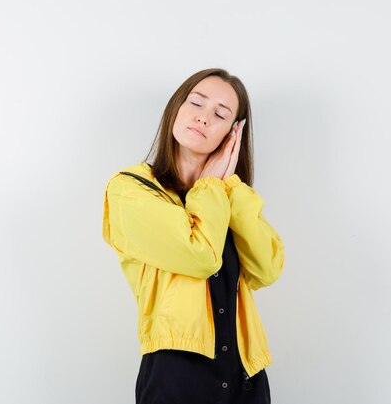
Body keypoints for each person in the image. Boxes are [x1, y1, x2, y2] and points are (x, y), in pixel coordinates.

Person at [102, 68, 285, 404]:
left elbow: (267, 268)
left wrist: (228, 183)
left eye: (219, 114)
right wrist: (211, 185)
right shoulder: (131, 189)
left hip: (246, 374)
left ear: (233, 134)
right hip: (177, 373)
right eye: (196, 103)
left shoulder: (226, 197)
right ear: (176, 108)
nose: (203, 118)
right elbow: (198, 256)